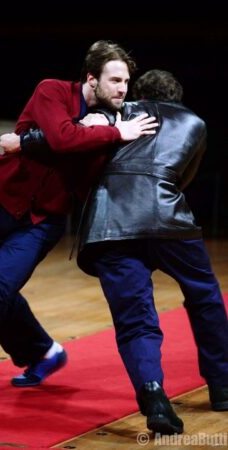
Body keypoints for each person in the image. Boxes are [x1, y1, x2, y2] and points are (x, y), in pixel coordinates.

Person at [0, 40, 158, 408]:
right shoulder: (51, 90)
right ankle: (42, 352)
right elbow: (61, 138)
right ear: (91, 79)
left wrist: (30, 141)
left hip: (42, 222)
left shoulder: (116, 121)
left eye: (126, 82)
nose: (122, 89)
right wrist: (108, 134)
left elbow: (72, 155)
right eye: (115, 80)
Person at [17, 70, 228, 436]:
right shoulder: (195, 123)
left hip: (110, 227)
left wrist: (22, 141)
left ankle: (154, 394)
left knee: (135, 317)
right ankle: (223, 385)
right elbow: (184, 178)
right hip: (169, 221)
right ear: (175, 99)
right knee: (205, 295)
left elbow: (59, 138)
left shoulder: (116, 112)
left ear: (137, 93)